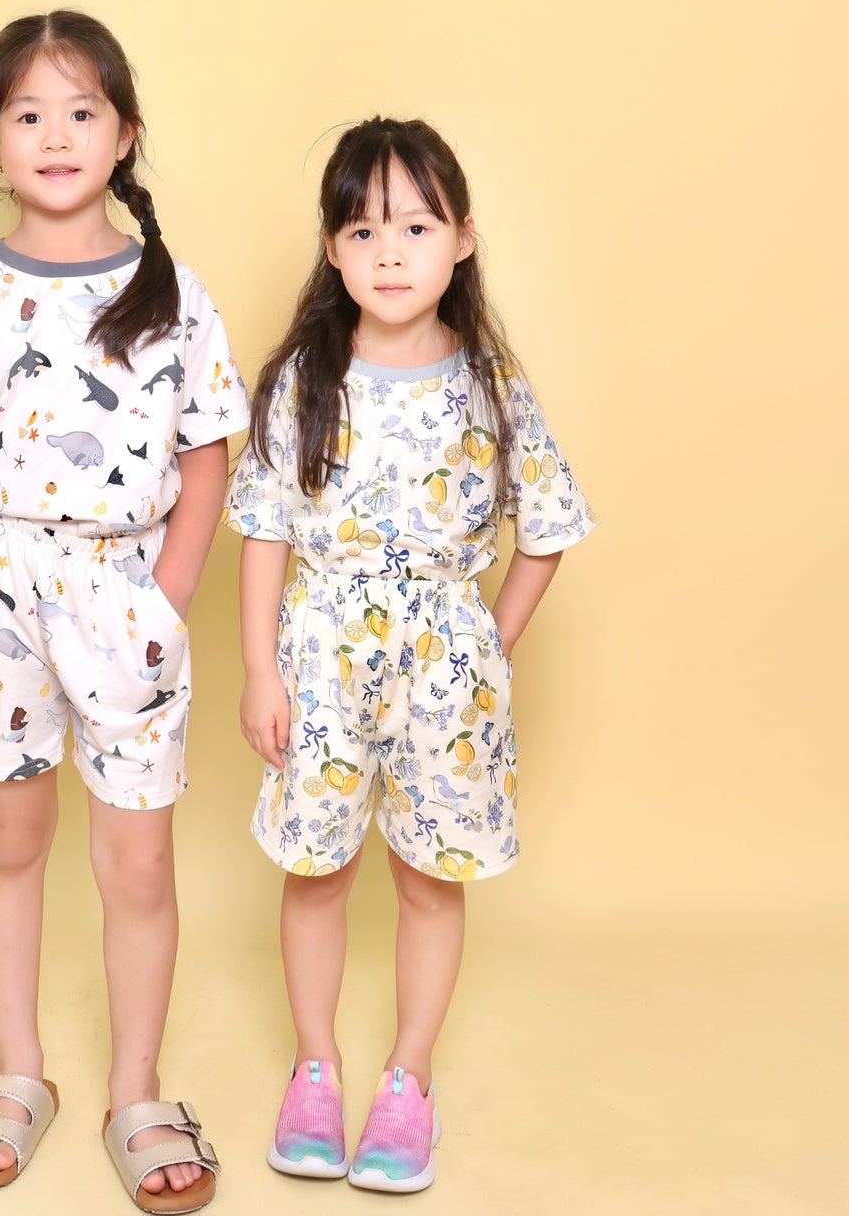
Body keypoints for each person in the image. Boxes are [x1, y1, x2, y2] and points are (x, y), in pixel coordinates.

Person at [0, 12, 248, 1208]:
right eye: (28, 114)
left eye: (83, 111)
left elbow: (208, 458)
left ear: (125, 135)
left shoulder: (172, 293)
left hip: (126, 597)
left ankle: (137, 1089)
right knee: (8, 840)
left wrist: (166, 600)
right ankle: (16, 1068)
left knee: (138, 861)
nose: (56, 134)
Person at [226, 116, 596, 1195]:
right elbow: (263, 529)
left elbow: (549, 526)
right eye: (363, 230)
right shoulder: (305, 378)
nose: (389, 253)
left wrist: (490, 646)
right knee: (317, 868)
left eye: (416, 227)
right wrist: (261, 670)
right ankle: (315, 1069)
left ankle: (409, 1079)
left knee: (432, 879)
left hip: (447, 674)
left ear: (463, 238)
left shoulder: (489, 382)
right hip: (321, 663)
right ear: (333, 251)